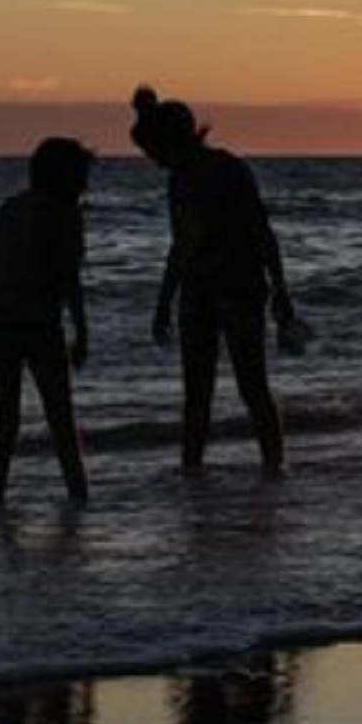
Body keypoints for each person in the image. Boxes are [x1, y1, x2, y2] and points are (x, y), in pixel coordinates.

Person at [130, 86, 303, 477]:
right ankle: (191, 472)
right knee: (196, 394)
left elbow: (262, 232)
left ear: (170, 141)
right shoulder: (177, 181)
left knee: (251, 385)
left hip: (239, 288)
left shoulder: (229, 170)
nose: (151, 161)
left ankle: (274, 468)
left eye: (152, 151)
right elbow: (180, 244)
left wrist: (281, 291)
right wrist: (163, 302)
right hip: (196, 292)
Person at [0, 137, 95, 505]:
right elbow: (68, 278)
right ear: (65, 177)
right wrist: (82, 331)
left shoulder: (8, 209)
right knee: (61, 421)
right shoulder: (63, 214)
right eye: (81, 176)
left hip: (0, 325)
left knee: (5, 424)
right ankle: (79, 499)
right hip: (41, 327)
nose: (86, 184)